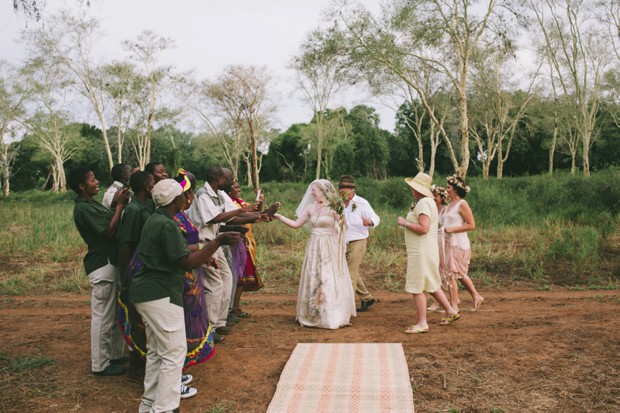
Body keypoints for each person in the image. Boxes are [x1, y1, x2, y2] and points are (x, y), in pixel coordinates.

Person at [130, 179, 239, 413]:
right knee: (173, 352)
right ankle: (165, 408)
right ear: (176, 200)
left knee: (159, 351)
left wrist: (203, 250)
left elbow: (178, 251)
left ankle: (150, 404)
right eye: (182, 195)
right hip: (159, 292)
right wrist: (217, 242)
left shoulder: (156, 220)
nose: (185, 198)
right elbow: (185, 262)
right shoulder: (167, 225)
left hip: (149, 292)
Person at [68, 166, 130, 376]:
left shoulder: (90, 205)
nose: (97, 182)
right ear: (81, 186)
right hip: (102, 264)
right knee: (102, 316)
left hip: (109, 263)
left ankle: (114, 356)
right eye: (92, 180)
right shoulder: (84, 209)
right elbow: (109, 231)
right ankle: (100, 365)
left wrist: (115, 206)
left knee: (112, 315)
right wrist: (120, 206)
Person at [273, 179, 356, 330]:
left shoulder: (333, 207)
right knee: (314, 274)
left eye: (314, 190)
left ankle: (330, 314)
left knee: (327, 276)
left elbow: (345, 226)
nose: (311, 193)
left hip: (329, 245)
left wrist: (339, 233)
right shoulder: (310, 208)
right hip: (314, 245)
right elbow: (296, 224)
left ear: (323, 192)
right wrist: (280, 217)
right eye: (311, 190)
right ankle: (312, 313)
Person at [187, 166, 258, 337]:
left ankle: (219, 321)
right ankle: (209, 328)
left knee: (227, 277)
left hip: (215, 242)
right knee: (214, 285)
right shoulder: (203, 195)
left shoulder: (217, 194)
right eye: (228, 179)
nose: (230, 182)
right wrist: (242, 209)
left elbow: (230, 216)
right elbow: (214, 218)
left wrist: (257, 216)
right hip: (205, 243)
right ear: (219, 178)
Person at [397, 172, 459, 334]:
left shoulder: (424, 203)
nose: (411, 190)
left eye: (413, 187)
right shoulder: (429, 202)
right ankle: (450, 311)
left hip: (421, 252)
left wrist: (405, 223)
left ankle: (422, 323)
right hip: (427, 250)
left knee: (417, 286)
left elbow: (423, 228)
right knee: (430, 283)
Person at [173, 169, 216, 366]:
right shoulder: (171, 221)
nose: (191, 198)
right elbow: (180, 248)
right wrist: (205, 248)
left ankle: (185, 359)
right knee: (181, 320)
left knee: (190, 315)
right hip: (182, 273)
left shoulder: (181, 216)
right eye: (188, 194)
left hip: (191, 273)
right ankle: (179, 365)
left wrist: (204, 254)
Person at [116, 171, 155, 382]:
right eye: (153, 182)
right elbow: (125, 244)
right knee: (137, 322)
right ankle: (136, 368)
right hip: (136, 272)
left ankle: (143, 364)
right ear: (147, 187)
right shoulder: (133, 210)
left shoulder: (146, 206)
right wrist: (129, 274)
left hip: (144, 269)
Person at [442, 174, 484, 312]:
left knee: (453, 274)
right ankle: (476, 296)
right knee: (456, 274)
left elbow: (472, 225)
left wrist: (453, 229)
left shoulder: (462, 204)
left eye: (448, 187)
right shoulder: (448, 206)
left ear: (455, 190)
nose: (446, 190)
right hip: (448, 243)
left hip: (458, 244)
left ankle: (454, 306)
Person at [338, 175, 380, 312]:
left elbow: (376, 217)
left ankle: (346, 309)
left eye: (344, 188)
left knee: (349, 275)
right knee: (350, 272)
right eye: (340, 188)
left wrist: (370, 222)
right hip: (342, 242)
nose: (341, 191)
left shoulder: (362, 203)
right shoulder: (337, 203)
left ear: (351, 189)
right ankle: (367, 298)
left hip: (358, 241)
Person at [427, 185, 450, 312]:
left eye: (435, 196)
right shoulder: (430, 208)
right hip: (431, 239)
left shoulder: (446, 210)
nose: (433, 198)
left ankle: (439, 301)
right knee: (435, 268)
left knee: (441, 268)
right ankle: (440, 299)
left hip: (441, 240)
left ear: (442, 198)